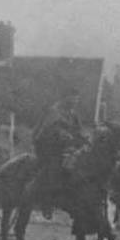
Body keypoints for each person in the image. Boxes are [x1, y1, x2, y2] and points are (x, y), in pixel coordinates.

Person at [32, 89, 87, 218]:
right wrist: (60, 134)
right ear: (65, 98)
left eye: (77, 99)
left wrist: (84, 139)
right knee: (54, 167)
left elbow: (78, 131)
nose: (75, 101)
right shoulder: (54, 111)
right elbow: (46, 130)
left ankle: (73, 199)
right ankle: (47, 202)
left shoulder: (73, 115)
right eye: (72, 98)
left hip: (66, 150)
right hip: (48, 148)